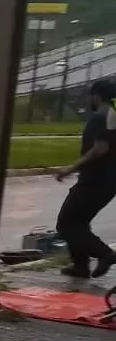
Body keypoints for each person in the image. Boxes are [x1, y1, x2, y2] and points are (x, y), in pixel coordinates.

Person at [55, 79, 116, 278]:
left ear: (97, 95)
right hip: (108, 180)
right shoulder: (113, 115)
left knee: (66, 224)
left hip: (95, 180)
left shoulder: (99, 117)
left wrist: (70, 169)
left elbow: (100, 148)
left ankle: (105, 254)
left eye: (91, 95)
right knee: (79, 221)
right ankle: (80, 266)